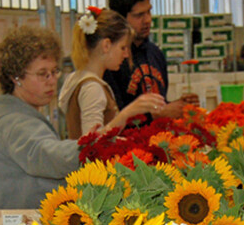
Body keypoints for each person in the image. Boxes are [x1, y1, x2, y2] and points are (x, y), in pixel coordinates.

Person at [0, 26, 80, 212]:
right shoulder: (14, 123)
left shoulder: (21, 116)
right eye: (42, 74)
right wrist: (94, 146)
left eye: (54, 71)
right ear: (16, 78)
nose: (52, 80)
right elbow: (48, 155)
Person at [58, 7, 165, 139]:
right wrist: (127, 113)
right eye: (123, 48)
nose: (126, 55)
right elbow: (90, 141)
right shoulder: (92, 87)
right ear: (106, 45)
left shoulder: (76, 78)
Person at [104, 0, 199, 120]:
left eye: (149, 12)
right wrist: (159, 113)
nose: (147, 20)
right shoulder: (112, 59)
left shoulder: (155, 54)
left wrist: (178, 106)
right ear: (120, 18)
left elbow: (159, 104)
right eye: (139, 15)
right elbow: (114, 117)